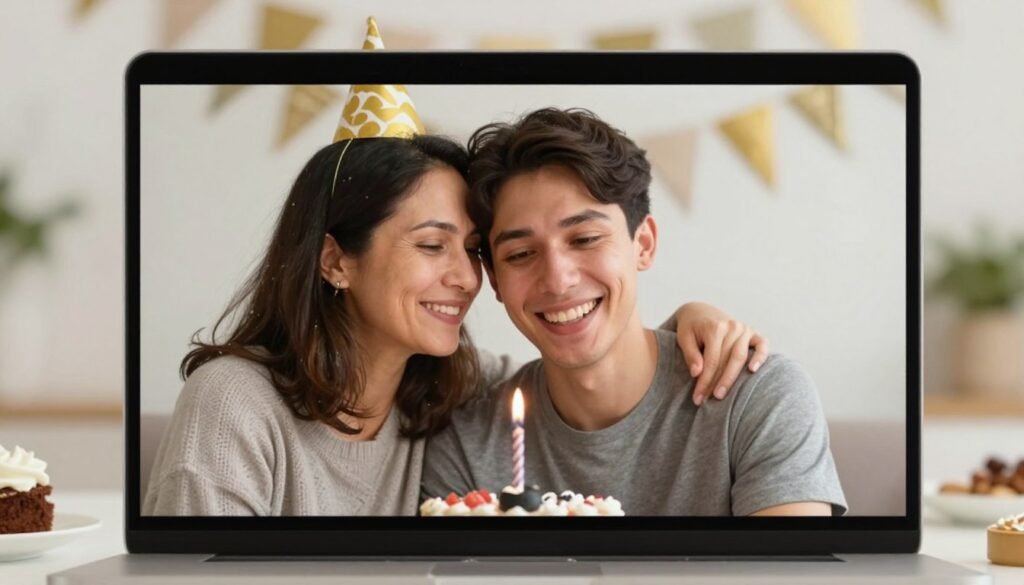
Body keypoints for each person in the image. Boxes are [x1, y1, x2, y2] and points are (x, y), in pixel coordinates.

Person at [143, 19, 768, 517]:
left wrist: (690, 316)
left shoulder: (447, 392)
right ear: (336, 258)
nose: (470, 278)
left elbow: (580, 354)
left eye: (473, 249)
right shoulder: (236, 405)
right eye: (431, 245)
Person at [421, 108, 848, 516]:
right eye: (521, 253)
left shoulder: (757, 398)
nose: (557, 279)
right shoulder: (466, 442)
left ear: (642, 244)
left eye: (585, 239)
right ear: (494, 279)